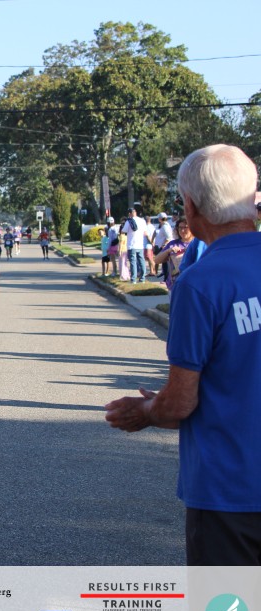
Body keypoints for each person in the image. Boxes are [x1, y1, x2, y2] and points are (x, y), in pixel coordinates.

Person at [106, 144, 261, 566]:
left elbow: (180, 404)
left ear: (190, 206)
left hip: (229, 494)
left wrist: (146, 410)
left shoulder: (199, 283)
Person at [153, 217, 193, 292]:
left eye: (186, 227)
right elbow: (157, 260)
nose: (182, 230)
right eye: (180, 228)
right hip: (174, 285)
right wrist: (168, 251)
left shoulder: (197, 243)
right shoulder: (173, 244)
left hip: (192, 285)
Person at [124, 206, 149, 283]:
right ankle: (142, 278)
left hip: (131, 245)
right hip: (140, 244)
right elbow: (145, 233)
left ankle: (133, 279)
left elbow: (123, 231)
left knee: (133, 262)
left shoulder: (129, 221)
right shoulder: (142, 221)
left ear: (129, 214)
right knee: (142, 261)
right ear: (135, 212)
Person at [151, 213, 173, 279]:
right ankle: (165, 276)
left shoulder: (165, 226)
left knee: (165, 263)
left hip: (164, 247)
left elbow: (168, 237)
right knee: (164, 263)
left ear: (160, 219)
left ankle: (166, 278)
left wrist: (164, 245)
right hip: (162, 246)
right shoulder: (164, 225)